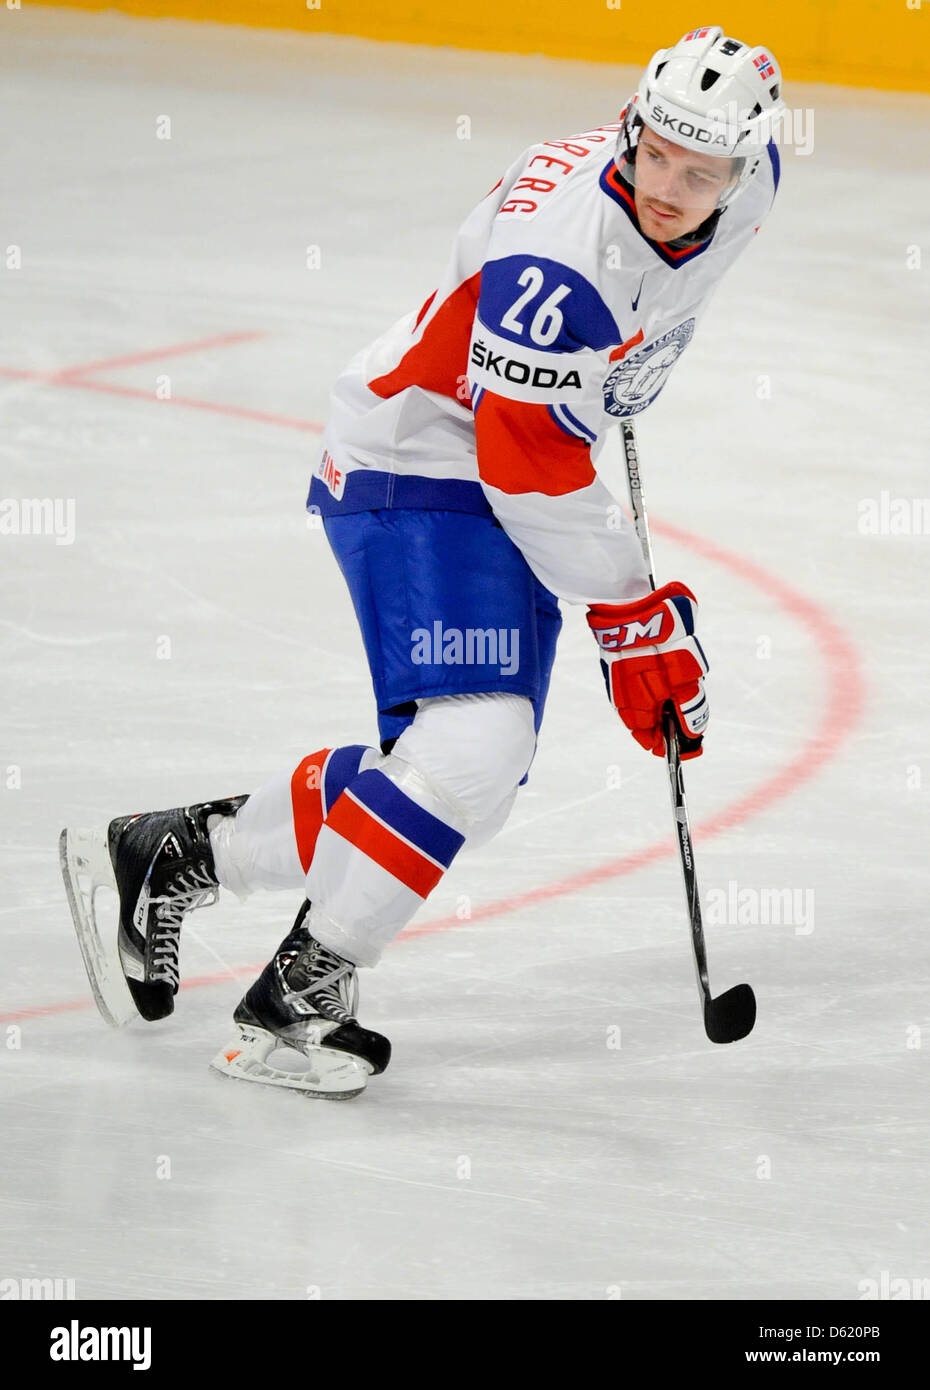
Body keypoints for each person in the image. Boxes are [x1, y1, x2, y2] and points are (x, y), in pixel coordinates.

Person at [61, 27, 785, 1097]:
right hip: (424, 453)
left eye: (701, 169)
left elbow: (581, 389)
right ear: (630, 126)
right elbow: (523, 460)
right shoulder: (562, 259)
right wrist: (634, 623)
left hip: (496, 451)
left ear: (748, 165)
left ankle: (171, 856)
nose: (669, 186)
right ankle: (299, 999)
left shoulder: (749, 176)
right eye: (655, 154)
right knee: (477, 745)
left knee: (459, 778)